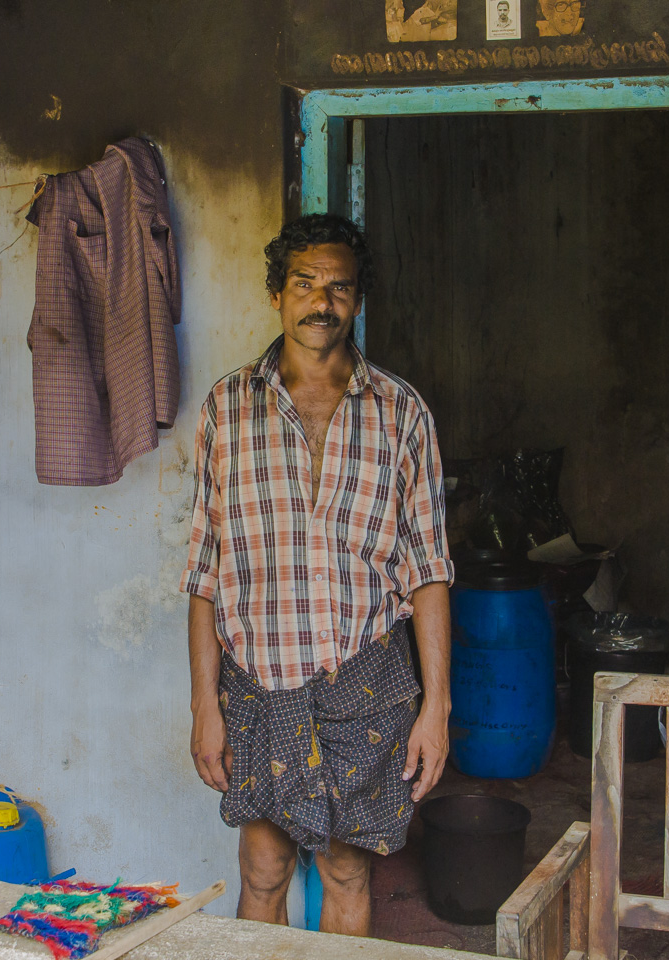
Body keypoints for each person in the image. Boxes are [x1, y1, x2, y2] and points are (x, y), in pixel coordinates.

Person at [180, 214, 454, 937]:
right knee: (264, 869)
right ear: (278, 294)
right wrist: (204, 705)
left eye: (340, 287)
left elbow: (428, 571)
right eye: (305, 283)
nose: (322, 301)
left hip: (363, 684)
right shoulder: (227, 409)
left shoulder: (401, 414)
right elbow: (206, 574)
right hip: (257, 687)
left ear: (358, 301)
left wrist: (437, 708)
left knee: (346, 869)